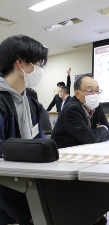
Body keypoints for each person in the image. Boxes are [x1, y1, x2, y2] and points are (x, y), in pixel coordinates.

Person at [0, 35, 48, 225]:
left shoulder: (31, 103)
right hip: (9, 197)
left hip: (30, 185)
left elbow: (42, 146)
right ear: (19, 62)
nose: (40, 69)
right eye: (38, 62)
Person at [51, 74, 109, 148]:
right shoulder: (72, 109)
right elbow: (90, 138)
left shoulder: (97, 106)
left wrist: (95, 135)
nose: (94, 95)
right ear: (77, 94)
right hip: (63, 153)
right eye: (89, 91)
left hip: (84, 150)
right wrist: (103, 129)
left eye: (97, 91)